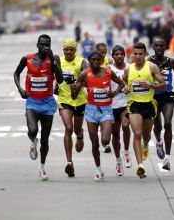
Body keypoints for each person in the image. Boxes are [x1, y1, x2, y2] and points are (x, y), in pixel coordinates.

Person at [14, 34, 63, 180]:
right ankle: (32, 140)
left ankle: (42, 167)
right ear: (37, 45)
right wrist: (20, 89)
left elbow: (60, 80)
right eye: (42, 44)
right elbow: (16, 74)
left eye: (47, 45)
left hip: (47, 102)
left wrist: (54, 62)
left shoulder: (54, 59)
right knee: (33, 130)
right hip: (32, 101)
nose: (45, 47)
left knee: (45, 139)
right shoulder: (27, 58)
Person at [71, 50, 124, 181]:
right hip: (91, 110)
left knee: (105, 140)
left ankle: (118, 161)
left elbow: (121, 83)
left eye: (98, 60)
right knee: (94, 143)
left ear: (101, 61)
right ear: (89, 61)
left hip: (106, 109)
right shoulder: (84, 74)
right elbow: (74, 96)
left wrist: (115, 93)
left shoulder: (108, 72)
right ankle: (98, 169)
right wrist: (74, 89)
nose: (95, 62)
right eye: (93, 60)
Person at [123, 42, 166, 179]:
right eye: (135, 53)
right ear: (132, 54)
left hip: (149, 105)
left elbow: (163, 85)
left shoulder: (152, 67)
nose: (138, 56)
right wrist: (125, 87)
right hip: (134, 104)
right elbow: (124, 81)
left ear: (145, 54)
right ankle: (140, 165)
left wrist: (151, 85)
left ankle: (146, 144)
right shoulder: (128, 69)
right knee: (137, 132)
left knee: (146, 135)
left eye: (140, 54)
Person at [148, 38, 174, 171]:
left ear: (165, 47)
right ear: (153, 47)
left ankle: (167, 157)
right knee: (158, 126)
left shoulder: (170, 61)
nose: (158, 48)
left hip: (167, 95)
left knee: (168, 123)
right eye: (156, 45)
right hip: (154, 96)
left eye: (161, 45)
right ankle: (158, 141)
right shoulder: (149, 61)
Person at [58, 39, 88, 177]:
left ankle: (80, 137)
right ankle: (69, 162)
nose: (69, 52)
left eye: (71, 49)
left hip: (80, 100)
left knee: (76, 129)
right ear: (63, 50)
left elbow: (87, 79)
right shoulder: (58, 62)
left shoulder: (82, 62)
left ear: (75, 50)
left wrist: (78, 84)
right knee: (68, 128)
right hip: (64, 99)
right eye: (66, 49)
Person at [110, 45, 132, 176]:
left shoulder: (129, 67)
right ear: (112, 56)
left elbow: (133, 82)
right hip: (112, 106)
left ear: (124, 55)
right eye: (116, 54)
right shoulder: (109, 69)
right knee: (115, 135)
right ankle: (118, 161)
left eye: (121, 54)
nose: (119, 56)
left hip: (125, 103)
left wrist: (128, 87)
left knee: (126, 125)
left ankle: (127, 152)